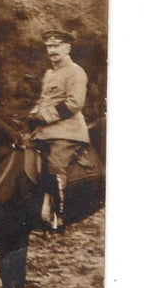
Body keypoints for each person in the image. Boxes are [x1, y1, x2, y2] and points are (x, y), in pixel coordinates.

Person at [28, 29, 91, 231]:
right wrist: (33, 114)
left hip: (68, 131)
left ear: (67, 48)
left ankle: (59, 216)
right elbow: (43, 99)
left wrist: (44, 117)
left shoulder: (76, 71)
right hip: (45, 129)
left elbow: (74, 103)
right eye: (48, 46)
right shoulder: (49, 73)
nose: (52, 50)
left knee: (55, 165)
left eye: (56, 46)